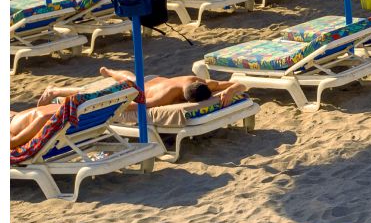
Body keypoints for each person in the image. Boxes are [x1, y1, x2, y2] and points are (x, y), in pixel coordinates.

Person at [12, 69, 245, 150]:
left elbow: (240, 83)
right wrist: (113, 105)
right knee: (120, 85)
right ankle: (56, 90)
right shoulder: (167, 95)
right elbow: (137, 104)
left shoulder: (202, 83)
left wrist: (231, 91)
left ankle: (109, 72)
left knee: (129, 77)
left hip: (148, 81)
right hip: (144, 90)